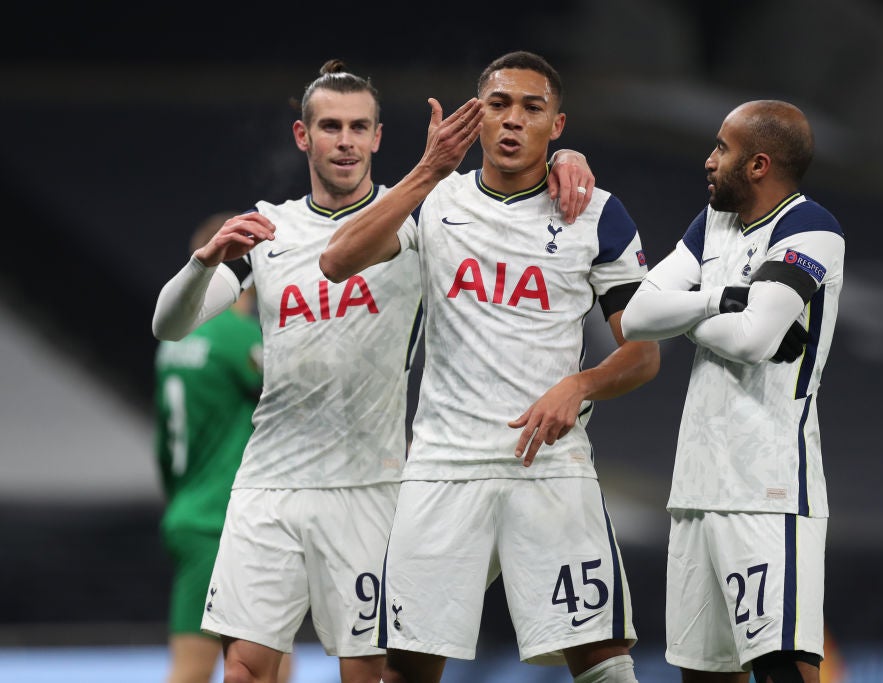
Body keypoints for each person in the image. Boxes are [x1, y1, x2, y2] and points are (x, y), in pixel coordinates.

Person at [151, 59, 597, 683]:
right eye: (329, 126)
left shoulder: (420, 218)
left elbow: (507, 178)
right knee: (246, 669)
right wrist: (203, 262)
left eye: (359, 126)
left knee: (369, 673)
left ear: (379, 137)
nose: (345, 140)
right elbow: (169, 326)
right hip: (268, 484)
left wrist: (564, 155)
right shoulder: (270, 230)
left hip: (371, 485)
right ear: (303, 137)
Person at [319, 51, 660, 683]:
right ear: (475, 117)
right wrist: (426, 169)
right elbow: (337, 261)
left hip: (550, 467)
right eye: (498, 105)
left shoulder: (596, 213)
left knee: (603, 662)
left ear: (557, 126)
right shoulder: (434, 199)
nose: (512, 121)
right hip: (445, 467)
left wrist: (580, 385)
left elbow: (643, 354)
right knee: (405, 669)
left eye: (532, 109)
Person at [620, 100, 845, 683]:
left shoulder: (811, 229)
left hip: (767, 488)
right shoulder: (713, 223)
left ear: (759, 164)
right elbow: (637, 317)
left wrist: (687, 314)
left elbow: (751, 340)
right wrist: (720, 298)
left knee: (782, 671)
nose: (709, 159)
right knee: (703, 674)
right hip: (695, 486)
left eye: (722, 147)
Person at [154, 212, 292, 683]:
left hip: (190, 507)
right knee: (194, 671)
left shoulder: (176, 339)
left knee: (269, 659)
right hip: (221, 517)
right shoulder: (236, 337)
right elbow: (297, 398)